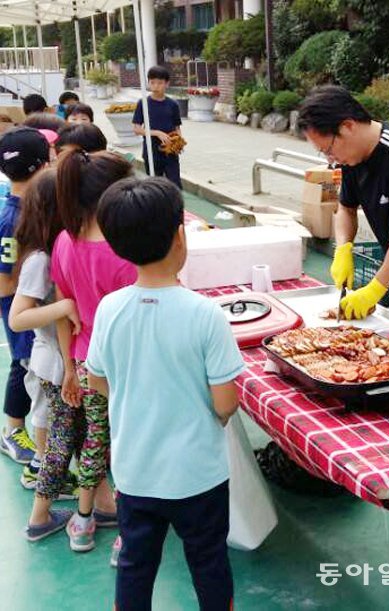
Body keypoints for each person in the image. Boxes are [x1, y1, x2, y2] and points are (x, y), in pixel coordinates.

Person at [87, 176, 245, 610]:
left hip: (136, 472)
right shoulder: (205, 315)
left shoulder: (110, 308)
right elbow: (225, 404)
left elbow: (98, 382)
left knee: (136, 566)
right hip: (198, 475)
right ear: (180, 236)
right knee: (208, 562)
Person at [297, 85, 389, 326]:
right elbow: (345, 208)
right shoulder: (350, 158)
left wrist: (374, 288)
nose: (330, 159)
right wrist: (343, 248)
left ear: (348, 126)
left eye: (328, 149)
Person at [51, 149, 137, 552]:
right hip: (129, 366)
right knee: (131, 445)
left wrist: (69, 367)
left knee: (96, 440)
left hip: (86, 361)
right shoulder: (124, 252)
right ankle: (129, 536)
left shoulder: (64, 242)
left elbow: (64, 312)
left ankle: (83, 520)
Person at [9, 168, 81, 539]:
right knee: (60, 441)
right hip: (52, 363)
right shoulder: (40, 258)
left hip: (58, 361)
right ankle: (39, 517)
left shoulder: (58, 249)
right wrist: (63, 305)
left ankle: (94, 502)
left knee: (67, 436)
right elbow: (19, 317)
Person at [0, 127, 50, 465]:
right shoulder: (12, 220)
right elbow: (4, 282)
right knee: (24, 364)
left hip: (28, 305)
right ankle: (14, 431)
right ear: (40, 167)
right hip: (21, 309)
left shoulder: (25, 208)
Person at [132, 65, 183, 188]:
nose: (155, 86)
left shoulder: (173, 104)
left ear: (167, 84)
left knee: (174, 183)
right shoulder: (143, 103)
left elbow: (177, 127)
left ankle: (175, 206)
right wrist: (157, 133)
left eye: (160, 83)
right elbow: (136, 129)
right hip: (151, 150)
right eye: (152, 82)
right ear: (148, 83)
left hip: (170, 150)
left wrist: (179, 143)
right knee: (156, 184)